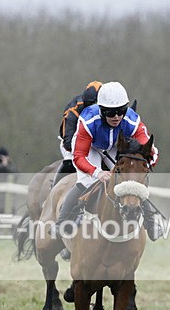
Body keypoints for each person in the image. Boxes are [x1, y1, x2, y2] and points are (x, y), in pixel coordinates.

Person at [56, 81, 163, 241]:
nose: (117, 117)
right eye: (110, 112)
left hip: (113, 145)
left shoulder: (132, 121)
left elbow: (152, 152)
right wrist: (97, 173)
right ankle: (62, 223)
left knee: (129, 178)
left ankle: (151, 221)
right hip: (90, 146)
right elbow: (78, 157)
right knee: (86, 181)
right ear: (101, 110)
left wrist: (143, 165)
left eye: (121, 111)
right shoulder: (88, 121)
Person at [53, 80, 102, 185]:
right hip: (73, 143)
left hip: (98, 143)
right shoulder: (73, 111)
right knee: (70, 162)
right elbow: (68, 142)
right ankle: (54, 187)